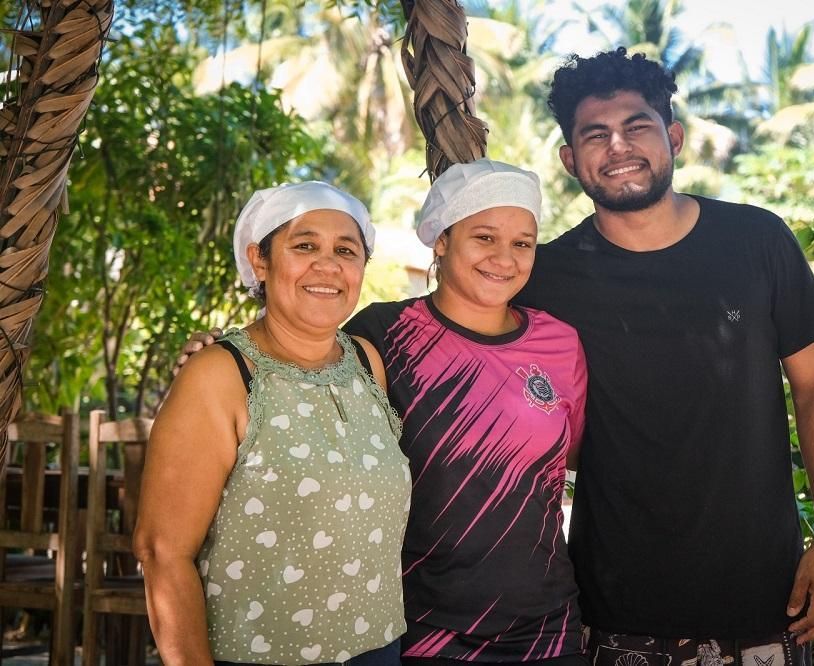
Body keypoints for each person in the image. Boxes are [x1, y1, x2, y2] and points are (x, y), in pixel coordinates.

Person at [510, 47, 814, 665]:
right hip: (614, 610)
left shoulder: (756, 241)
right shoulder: (546, 280)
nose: (618, 147)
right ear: (569, 159)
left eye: (637, 127)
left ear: (673, 136)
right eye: (595, 135)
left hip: (765, 599)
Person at [174, 161, 590, 666]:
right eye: (484, 237)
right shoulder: (382, 335)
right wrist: (211, 356)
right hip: (421, 628)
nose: (504, 257)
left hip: (545, 626)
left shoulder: (559, 342)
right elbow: (290, 354)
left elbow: (566, 463)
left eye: (523, 243)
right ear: (441, 240)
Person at [135, 182, 412, 666]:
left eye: (345, 250)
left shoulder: (366, 362)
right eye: (305, 245)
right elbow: (162, 551)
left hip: (377, 649)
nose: (328, 266)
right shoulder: (220, 375)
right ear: (260, 261)